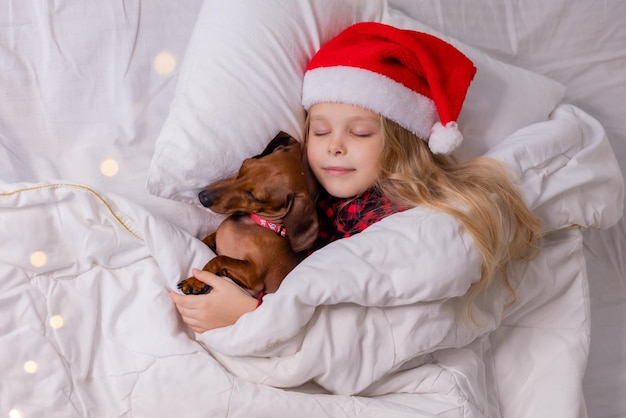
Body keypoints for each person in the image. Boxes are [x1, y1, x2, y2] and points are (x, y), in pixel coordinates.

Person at [170, 22, 541, 332]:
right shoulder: (313, 197)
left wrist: (252, 319)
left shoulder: (404, 220)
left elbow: (362, 328)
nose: (335, 146)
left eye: (360, 133)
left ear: (399, 142)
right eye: (320, 132)